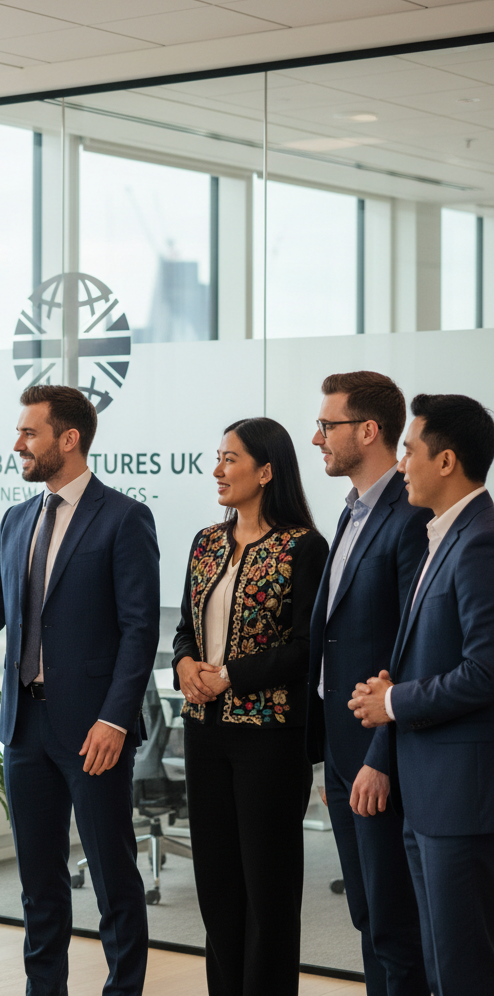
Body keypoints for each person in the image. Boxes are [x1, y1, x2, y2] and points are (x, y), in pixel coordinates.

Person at [0, 384, 160, 996]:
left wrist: (116, 720)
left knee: (114, 879)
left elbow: (139, 630)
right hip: (24, 729)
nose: (17, 443)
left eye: (29, 432)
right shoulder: (18, 519)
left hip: (95, 729)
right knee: (39, 885)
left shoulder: (124, 518)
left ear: (68, 440)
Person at [173, 417, 327, 996]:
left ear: (266, 471)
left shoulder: (304, 547)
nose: (217, 469)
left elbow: (305, 650)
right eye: (217, 457)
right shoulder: (206, 542)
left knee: (268, 889)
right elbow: (186, 629)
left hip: (270, 736)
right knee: (217, 886)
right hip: (204, 733)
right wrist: (186, 665)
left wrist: (230, 676)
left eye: (229, 459)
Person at [349, 393, 494, 996]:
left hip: (462, 802)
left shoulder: (481, 541)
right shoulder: (444, 535)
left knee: (463, 972)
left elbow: (486, 670)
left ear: (446, 461)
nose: (401, 461)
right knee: (439, 968)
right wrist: (394, 691)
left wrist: (395, 702)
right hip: (429, 796)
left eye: (409, 449)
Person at [306, 371, 429, 996]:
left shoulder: (410, 517)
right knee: (366, 916)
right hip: (343, 748)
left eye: (327, 426)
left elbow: (414, 648)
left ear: (369, 430)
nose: (316, 437)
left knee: (395, 926)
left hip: (383, 751)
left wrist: (377, 758)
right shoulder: (353, 511)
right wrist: (332, 760)